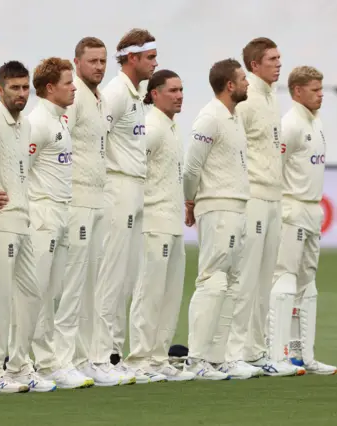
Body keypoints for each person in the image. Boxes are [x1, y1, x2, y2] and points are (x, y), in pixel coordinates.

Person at [208, 37, 298, 377]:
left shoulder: (271, 97)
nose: (278, 63)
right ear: (254, 65)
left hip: (274, 196)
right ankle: (234, 352)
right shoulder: (245, 101)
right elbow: (231, 149)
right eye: (271, 59)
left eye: (279, 57)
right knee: (245, 278)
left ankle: (256, 351)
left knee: (264, 278)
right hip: (253, 197)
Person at [0, 60, 56, 393]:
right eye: (15, 88)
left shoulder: (25, 126)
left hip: (23, 219)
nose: (22, 94)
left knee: (31, 293)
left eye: (25, 88)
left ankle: (19, 366)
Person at [52, 37, 121, 387]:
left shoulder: (101, 98)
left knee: (94, 284)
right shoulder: (73, 97)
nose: (99, 66)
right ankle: (62, 360)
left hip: (97, 199)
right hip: (75, 200)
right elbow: (60, 147)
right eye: (92, 60)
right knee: (73, 285)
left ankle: (86, 359)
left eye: (102, 60)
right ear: (76, 62)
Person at [91, 28, 158, 385]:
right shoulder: (116, 93)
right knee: (111, 277)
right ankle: (101, 355)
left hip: (136, 189)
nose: (155, 63)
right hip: (117, 188)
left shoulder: (137, 94)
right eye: (150, 57)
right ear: (132, 58)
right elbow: (95, 140)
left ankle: (113, 355)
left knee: (127, 277)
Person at [124, 70, 196, 382]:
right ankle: (140, 359)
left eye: (181, 90)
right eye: (172, 90)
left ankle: (158, 356)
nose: (179, 96)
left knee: (169, 293)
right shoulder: (150, 127)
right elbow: (135, 172)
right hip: (153, 221)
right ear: (154, 93)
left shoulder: (171, 127)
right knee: (149, 291)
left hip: (172, 220)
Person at [182, 58, 250, 380]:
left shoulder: (233, 118)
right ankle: (196, 359)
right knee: (213, 279)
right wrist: (190, 201)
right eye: (243, 78)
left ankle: (216, 358)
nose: (247, 83)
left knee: (231, 284)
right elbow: (191, 167)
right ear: (230, 85)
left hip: (236, 205)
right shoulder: (209, 118)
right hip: (217, 205)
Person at [26, 57, 92, 389]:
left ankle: (47, 363)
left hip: (61, 212)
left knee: (52, 292)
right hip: (41, 214)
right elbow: (20, 168)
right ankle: (26, 363)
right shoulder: (37, 121)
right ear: (50, 88)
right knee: (35, 293)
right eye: (68, 82)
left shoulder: (60, 120)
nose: (74, 87)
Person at [269, 66, 337, 375]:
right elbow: (274, 168)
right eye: (314, 89)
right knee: (284, 280)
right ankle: (278, 354)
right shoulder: (290, 125)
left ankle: (303, 356)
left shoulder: (315, 121)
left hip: (313, 209)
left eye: (321, 89)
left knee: (307, 283)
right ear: (297, 91)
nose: (320, 94)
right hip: (292, 208)